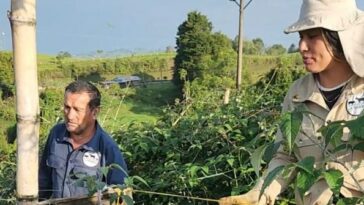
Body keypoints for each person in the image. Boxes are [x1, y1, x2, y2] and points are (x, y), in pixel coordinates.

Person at [219, 0, 364, 204]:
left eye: (312, 36)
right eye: (301, 37)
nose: (302, 47)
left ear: (339, 36)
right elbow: (285, 156)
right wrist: (259, 194)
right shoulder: (297, 93)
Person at [39, 80, 128, 199]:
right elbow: (44, 181)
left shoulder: (107, 147)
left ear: (94, 112)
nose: (70, 116)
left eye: (77, 110)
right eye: (67, 107)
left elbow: (120, 195)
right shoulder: (56, 135)